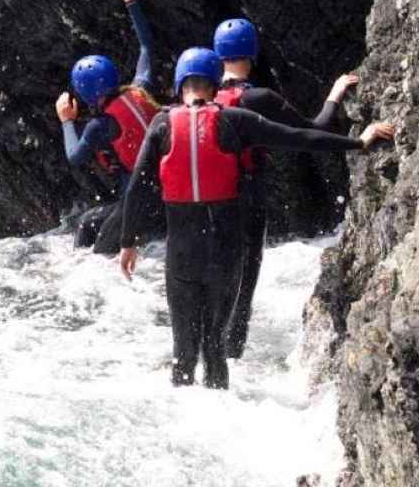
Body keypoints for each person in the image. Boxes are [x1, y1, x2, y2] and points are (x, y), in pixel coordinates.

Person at [118, 48, 394, 389]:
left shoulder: (161, 125)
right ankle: (218, 411)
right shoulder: (236, 120)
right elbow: (300, 137)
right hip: (224, 254)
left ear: (179, 85)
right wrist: (358, 142)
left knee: (183, 353)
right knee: (215, 348)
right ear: (214, 83)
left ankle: (183, 410)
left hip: (182, 255)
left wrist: (128, 243)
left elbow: (137, 189)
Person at [210, 17, 359, 359]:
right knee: (242, 289)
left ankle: (206, 359)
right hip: (247, 202)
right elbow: (313, 130)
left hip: (209, 204)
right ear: (253, 53)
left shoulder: (206, 100)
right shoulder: (259, 98)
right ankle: (230, 360)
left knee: (215, 285)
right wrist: (335, 94)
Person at [54, 0, 163, 255]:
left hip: (140, 203)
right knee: (94, 222)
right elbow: (147, 46)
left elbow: (74, 156)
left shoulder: (100, 126)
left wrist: (66, 121)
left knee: (88, 226)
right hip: (169, 190)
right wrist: (132, 2)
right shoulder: (141, 90)